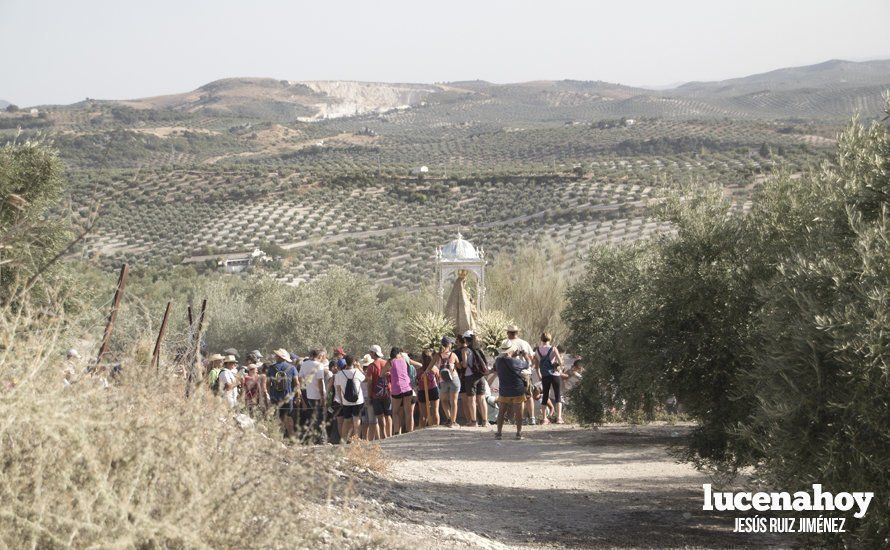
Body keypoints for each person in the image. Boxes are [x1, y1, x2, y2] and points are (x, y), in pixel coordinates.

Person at [494, 341, 531, 440]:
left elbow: (503, 361)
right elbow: (528, 364)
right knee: (518, 413)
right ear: (511, 350)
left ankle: (499, 433)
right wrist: (525, 355)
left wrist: (513, 355)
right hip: (517, 391)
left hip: (504, 391)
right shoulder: (517, 362)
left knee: (501, 412)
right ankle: (518, 433)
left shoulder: (498, 361)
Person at [501, 325, 536, 425]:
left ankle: (520, 417)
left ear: (508, 333)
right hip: (525, 372)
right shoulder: (524, 343)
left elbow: (502, 357)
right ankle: (531, 417)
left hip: (511, 373)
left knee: (517, 397)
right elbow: (531, 357)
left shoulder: (505, 343)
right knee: (528, 396)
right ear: (517, 333)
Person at [459, 330, 489, 427]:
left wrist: (458, 364)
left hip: (470, 376)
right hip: (480, 376)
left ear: (465, 339)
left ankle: (474, 421)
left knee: (471, 399)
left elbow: (464, 365)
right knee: (482, 398)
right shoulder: (479, 349)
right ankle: (485, 421)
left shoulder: (465, 350)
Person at [533, 332, 565, 424]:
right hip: (555, 374)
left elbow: (536, 367)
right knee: (558, 395)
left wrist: (540, 376)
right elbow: (560, 362)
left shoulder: (537, 351)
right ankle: (559, 418)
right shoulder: (553, 349)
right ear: (550, 339)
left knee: (545, 396)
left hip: (545, 376)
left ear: (541, 339)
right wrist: (558, 365)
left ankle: (544, 419)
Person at [267, 348, 299, 438]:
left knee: (278, 417)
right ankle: (292, 437)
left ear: (278, 357)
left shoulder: (271, 368)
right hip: (288, 397)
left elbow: (268, 384)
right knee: (289, 417)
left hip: (275, 397)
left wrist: (271, 395)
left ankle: (278, 438)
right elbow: (297, 383)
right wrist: (298, 396)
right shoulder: (292, 368)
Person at [334, 355, 365, 443]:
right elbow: (364, 379)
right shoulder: (357, 372)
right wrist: (359, 367)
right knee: (356, 419)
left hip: (346, 401)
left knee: (346, 420)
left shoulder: (339, 374)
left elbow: (338, 388)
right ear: (354, 362)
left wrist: (341, 399)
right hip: (358, 400)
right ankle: (357, 440)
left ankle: (343, 440)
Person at [299, 349, 329, 442]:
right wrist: (323, 397)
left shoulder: (304, 364)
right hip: (317, 394)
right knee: (320, 417)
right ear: (318, 355)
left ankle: (312, 438)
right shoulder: (319, 365)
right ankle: (321, 438)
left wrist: (304, 387)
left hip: (308, 394)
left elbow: (300, 378)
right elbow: (320, 381)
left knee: (311, 417)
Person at [366, 345, 392, 439]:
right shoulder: (386, 363)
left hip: (376, 395)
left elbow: (369, 383)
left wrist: (369, 397)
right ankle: (390, 435)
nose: (370, 354)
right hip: (388, 392)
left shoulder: (371, 366)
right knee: (388, 415)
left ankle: (383, 435)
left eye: (370, 352)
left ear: (373, 353)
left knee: (380, 416)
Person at [435, 336, 461, 427]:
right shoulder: (453, 355)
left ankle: (449, 418)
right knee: (454, 401)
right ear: (449, 345)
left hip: (443, 380)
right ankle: (453, 422)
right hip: (454, 378)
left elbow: (430, 367)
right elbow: (460, 366)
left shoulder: (438, 355)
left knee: (444, 400)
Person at [387, 347, 414, 435]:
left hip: (396, 388)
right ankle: (409, 430)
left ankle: (396, 431)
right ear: (398, 353)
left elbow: (381, 374)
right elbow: (420, 365)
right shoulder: (404, 359)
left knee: (395, 412)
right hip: (407, 387)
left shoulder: (390, 362)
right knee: (408, 411)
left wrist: (389, 373)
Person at [416, 349, 441, 428]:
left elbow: (417, 380)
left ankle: (423, 430)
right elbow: (438, 379)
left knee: (423, 414)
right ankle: (436, 428)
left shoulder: (419, 370)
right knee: (435, 411)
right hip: (433, 389)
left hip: (422, 391)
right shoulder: (434, 368)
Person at [359, 354, 379, 440]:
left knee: (364, 421)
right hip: (370, 398)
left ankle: (364, 438)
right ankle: (377, 438)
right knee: (373, 421)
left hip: (362, 399)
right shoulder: (371, 375)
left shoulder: (360, 375)